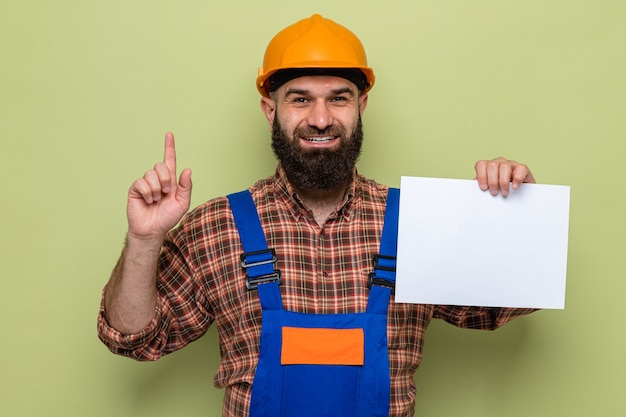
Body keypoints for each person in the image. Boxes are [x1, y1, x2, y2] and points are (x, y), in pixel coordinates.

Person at [98, 14, 537, 417]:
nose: (321, 118)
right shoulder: (217, 226)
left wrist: (520, 212)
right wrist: (143, 239)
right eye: (301, 99)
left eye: (339, 98)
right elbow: (135, 338)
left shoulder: (416, 222)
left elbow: (502, 307)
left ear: (361, 105)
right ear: (271, 110)